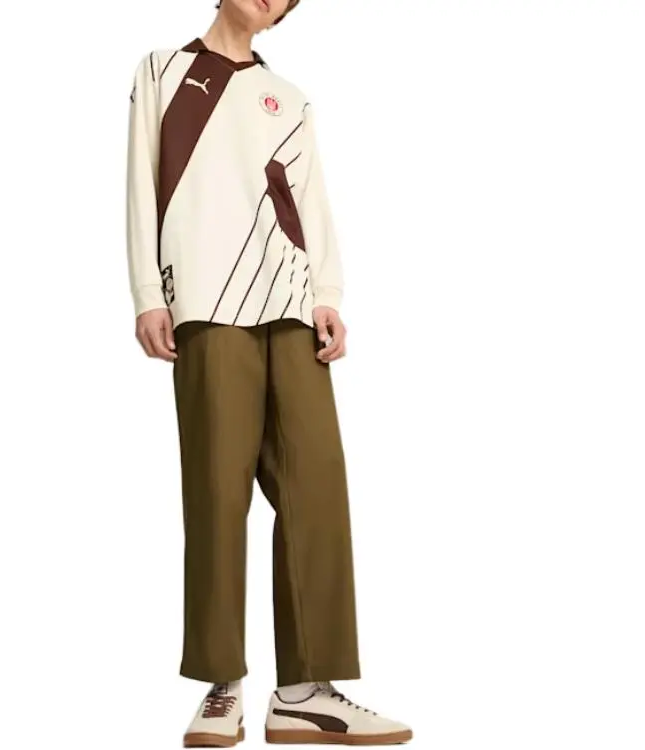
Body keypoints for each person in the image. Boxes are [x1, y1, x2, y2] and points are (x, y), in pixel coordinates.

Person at [126, 0, 412, 746]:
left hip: (290, 302)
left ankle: (305, 691)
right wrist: (148, 293)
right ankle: (222, 685)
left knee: (317, 484)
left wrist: (328, 294)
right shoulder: (162, 71)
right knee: (217, 493)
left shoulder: (290, 98)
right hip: (206, 303)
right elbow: (141, 187)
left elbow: (312, 203)